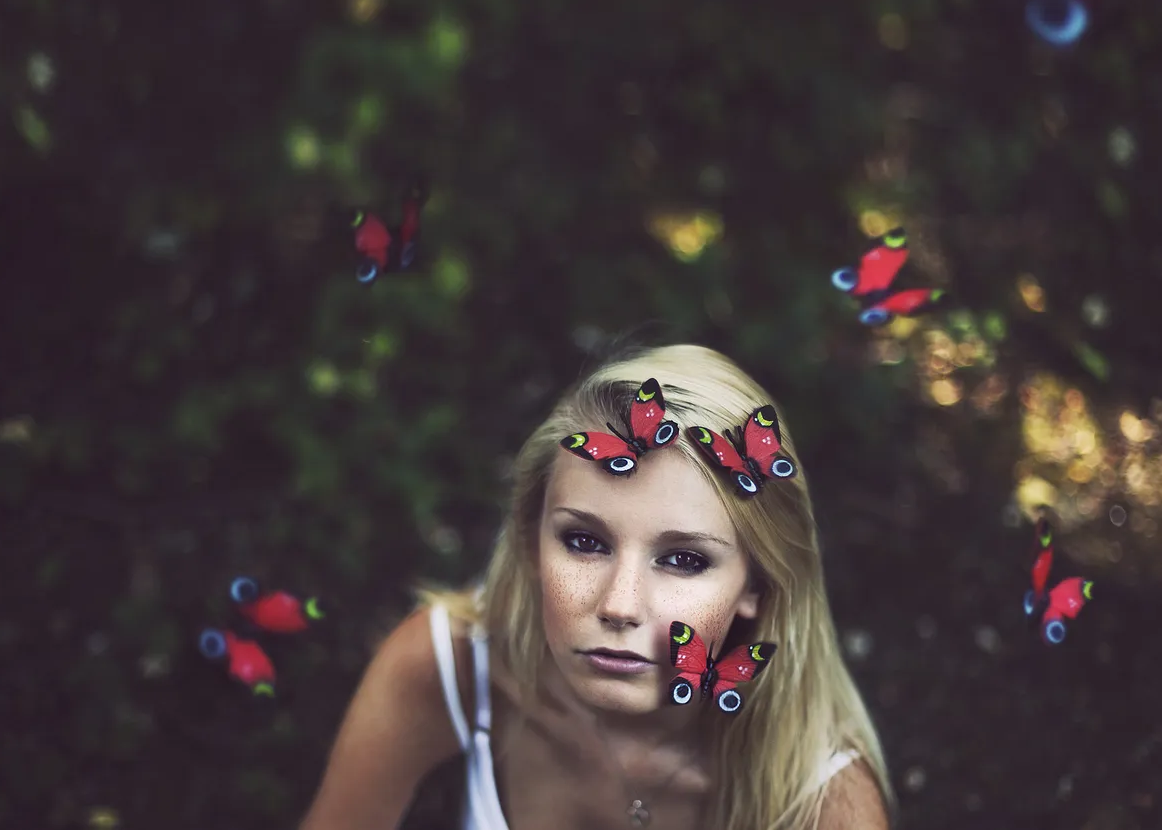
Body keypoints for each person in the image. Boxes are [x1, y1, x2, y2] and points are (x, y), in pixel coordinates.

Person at [299, 344, 892, 830]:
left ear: (756, 585)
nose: (619, 605)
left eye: (683, 560)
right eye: (585, 543)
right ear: (532, 540)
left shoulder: (823, 805)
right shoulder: (453, 666)